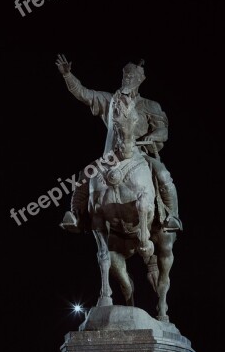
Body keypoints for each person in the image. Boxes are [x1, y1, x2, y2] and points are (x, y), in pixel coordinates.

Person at [56, 54, 182, 233]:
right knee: (85, 175)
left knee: (162, 174)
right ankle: (77, 215)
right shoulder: (110, 100)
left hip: (139, 152)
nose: (127, 79)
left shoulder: (149, 105)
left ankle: (172, 216)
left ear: (140, 80)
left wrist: (152, 137)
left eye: (131, 77)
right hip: (112, 156)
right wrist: (67, 75)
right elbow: (84, 94)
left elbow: (162, 130)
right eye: (125, 76)